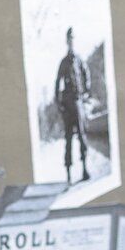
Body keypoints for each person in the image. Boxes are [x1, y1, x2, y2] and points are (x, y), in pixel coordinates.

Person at [53, 27, 96, 184]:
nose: (71, 41)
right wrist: (59, 104)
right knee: (69, 138)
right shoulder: (63, 63)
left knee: (82, 136)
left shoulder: (79, 60)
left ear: (74, 40)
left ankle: (85, 169)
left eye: (73, 38)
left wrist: (86, 92)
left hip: (78, 102)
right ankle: (69, 174)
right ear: (66, 41)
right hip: (67, 104)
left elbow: (86, 74)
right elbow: (57, 84)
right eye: (69, 38)